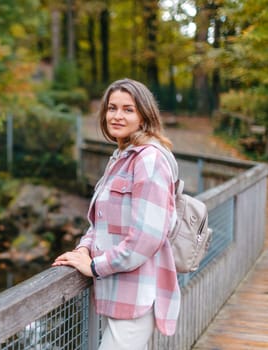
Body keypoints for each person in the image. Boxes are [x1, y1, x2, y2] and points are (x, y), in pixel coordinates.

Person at [52, 78, 180, 350]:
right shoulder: (121, 157)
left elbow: (147, 236)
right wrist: (84, 250)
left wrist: (95, 266)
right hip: (115, 290)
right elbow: (100, 221)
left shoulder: (149, 159)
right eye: (112, 108)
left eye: (128, 109)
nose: (117, 116)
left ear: (144, 115)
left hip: (137, 293)